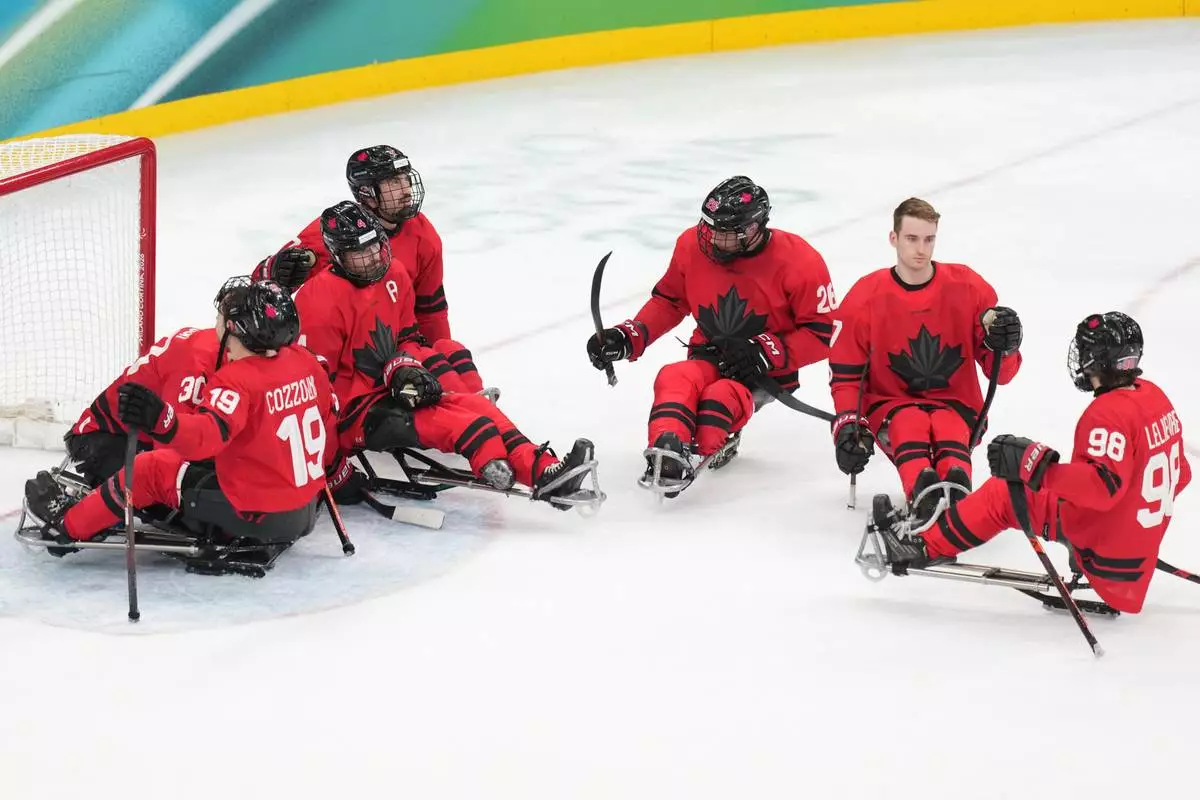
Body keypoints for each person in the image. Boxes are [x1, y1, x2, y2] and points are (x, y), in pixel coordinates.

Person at [876, 312, 1190, 614]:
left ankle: (923, 548)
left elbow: (1099, 489)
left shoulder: (1109, 412)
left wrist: (1037, 468)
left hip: (1107, 547)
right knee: (1060, 489)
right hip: (1135, 544)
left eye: (1084, 351)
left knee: (1002, 493)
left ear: (1096, 360)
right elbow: (1181, 476)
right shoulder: (1153, 397)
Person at [292, 200, 596, 509]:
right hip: (354, 412)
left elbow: (408, 336)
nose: (372, 258)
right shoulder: (317, 299)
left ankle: (545, 470)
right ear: (336, 255)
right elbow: (312, 394)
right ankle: (505, 464)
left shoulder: (394, 272)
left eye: (374, 246)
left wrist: (402, 366)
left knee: (479, 407)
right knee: (467, 427)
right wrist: (332, 469)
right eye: (359, 253)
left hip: (388, 388)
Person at [26, 278, 338, 552]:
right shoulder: (306, 361)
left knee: (150, 469)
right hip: (304, 511)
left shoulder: (237, 377)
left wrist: (163, 420)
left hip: (255, 515)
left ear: (235, 329)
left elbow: (201, 440)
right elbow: (324, 420)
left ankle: (66, 527)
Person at [585, 175, 834, 486]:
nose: (712, 238)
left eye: (725, 232)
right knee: (673, 376)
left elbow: (822, 334)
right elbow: (671, 300)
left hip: (762, 371)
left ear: (753, 229)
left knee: (720, 395)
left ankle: (699, 449)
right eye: (708, 226)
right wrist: (629, 336)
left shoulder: (801, 262)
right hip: (708, 353)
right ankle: (667, 446)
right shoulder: (692, 244)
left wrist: (767, 351)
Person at [829, 197, 1023, 521]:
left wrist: (1007, 346)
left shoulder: (969, 288)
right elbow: (847, 376)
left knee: (947, 425)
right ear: (893, 239)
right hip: (891, 406)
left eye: (929, 239)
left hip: (957, 406)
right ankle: (923, 493)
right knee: (910, 422)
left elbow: (1000, 374)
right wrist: (848, 426)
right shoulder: (864, 298)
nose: (921, 249)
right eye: (912, 238)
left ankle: (957, 490)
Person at [253, 145, 486, 394]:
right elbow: (260, 285)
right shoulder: (339, 232)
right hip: (350, 367)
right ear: (368, 192)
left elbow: (431, 312)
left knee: (451, 354)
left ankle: (471, 405)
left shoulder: (423, 234)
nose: (406, 189)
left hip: (397, 352)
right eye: (394, 182)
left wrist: (431, 357)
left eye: (406, 179)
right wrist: (276, 269)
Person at [64, 326, 219, 487]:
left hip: (137, 434)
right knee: (189, 486)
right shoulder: (195, 365)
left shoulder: (216, 342)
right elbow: (172, 447)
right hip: (102, 440)